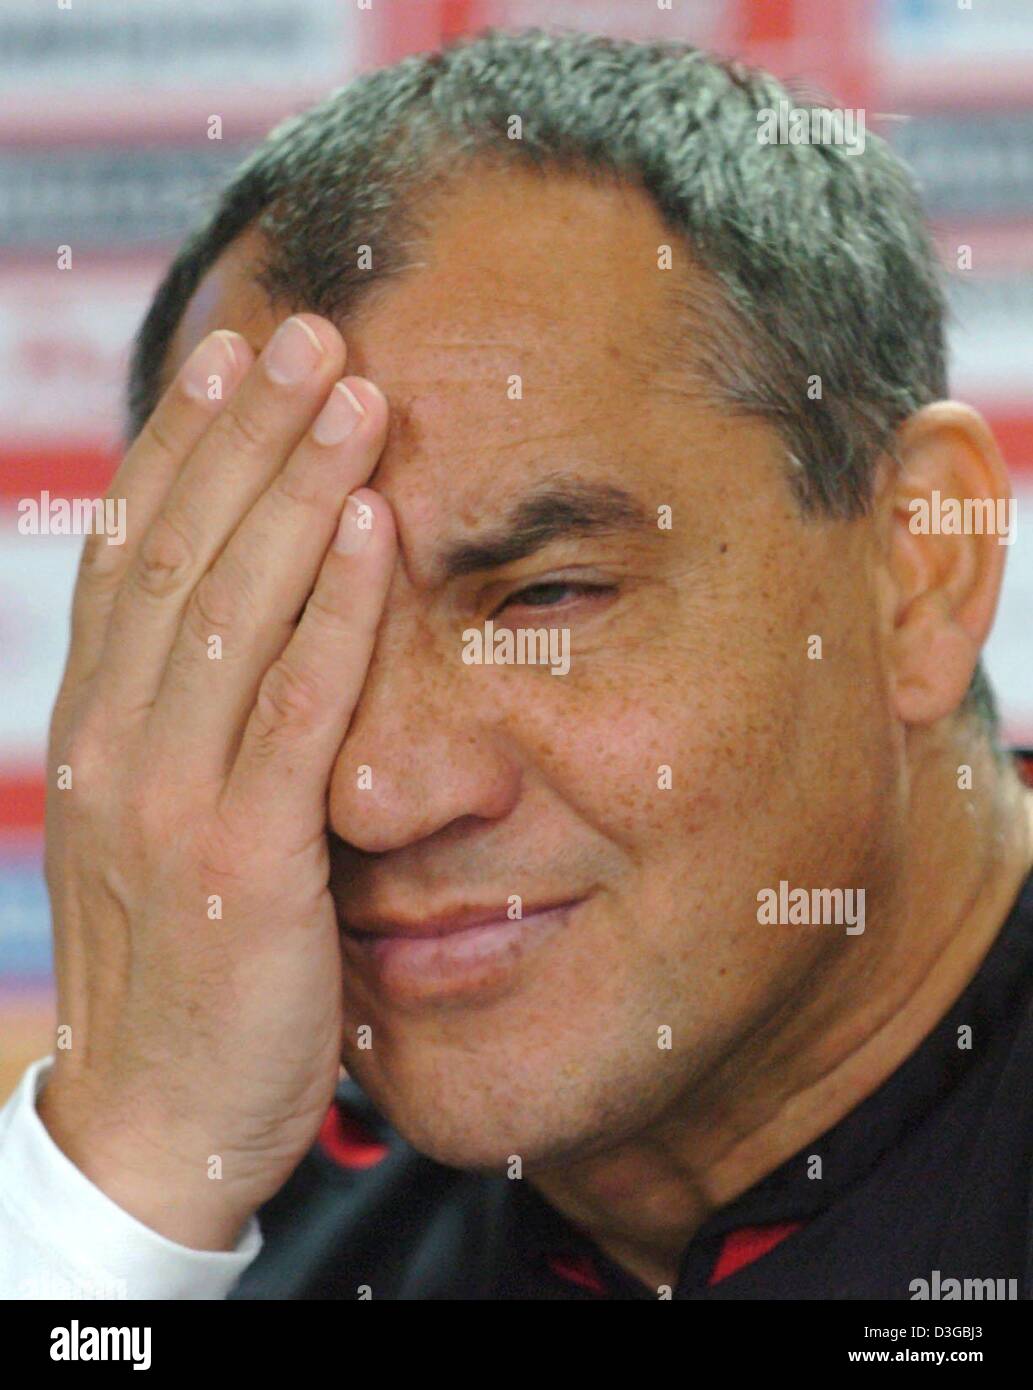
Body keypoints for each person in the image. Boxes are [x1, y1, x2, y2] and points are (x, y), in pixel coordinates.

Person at [2, 28, 1031, 1301]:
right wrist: (128, 1181)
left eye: (545, 598)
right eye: (283, 633)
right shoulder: (214, 1218)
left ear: (918, 568)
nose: (377, 790)